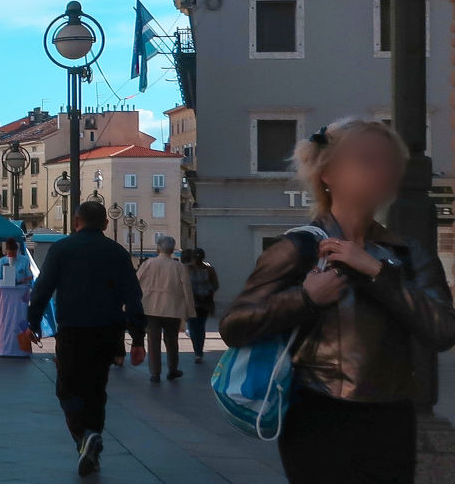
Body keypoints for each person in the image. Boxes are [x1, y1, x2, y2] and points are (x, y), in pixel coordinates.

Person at [221, 117, 455, 484]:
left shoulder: (409, 253)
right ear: (327, 174)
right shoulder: (299, 248)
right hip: (319, 415)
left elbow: (443, 331)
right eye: (367, 160)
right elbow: (234, 326)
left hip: (393, 417)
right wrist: (305, 299)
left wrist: (376, 271)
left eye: (390, 161)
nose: (383, 171)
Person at [24, 200, 146, 478]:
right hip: (108, 331)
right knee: (96, 389)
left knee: (67, 388)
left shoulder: (62, 249)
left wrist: (33, 323)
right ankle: (92, 443)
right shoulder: (117, 252)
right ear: (106, 223)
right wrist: (138, 338)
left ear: (75, 221)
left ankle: (84, 436)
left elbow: (42, 289)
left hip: (73, 330)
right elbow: (133, 296)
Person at [137, 234, 194, 382]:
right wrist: (190, 310)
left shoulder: (148, 264)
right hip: (173, 308)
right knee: (172, 340)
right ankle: (172, 369)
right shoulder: (179, 267)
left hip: (151, 308)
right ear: (173, 249)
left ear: (157, 248)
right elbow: (187, 289)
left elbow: (136, 283)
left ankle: (155, 372)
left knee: (153, 341)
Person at [0, 238, 35, 357]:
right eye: (9, 253)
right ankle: (1, 345)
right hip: (6, 294)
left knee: (20, 318)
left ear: (16, 251)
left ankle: (21, 346)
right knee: (4, 319)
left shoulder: (24, 260)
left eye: (13, 253)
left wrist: (20, 280)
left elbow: (30, 276)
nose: (11, 255)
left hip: (20, 294)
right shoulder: (2, 261)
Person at [182, 246, 219, 366]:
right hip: (198, 302)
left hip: (199, 302)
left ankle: (198, 351)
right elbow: (215, 285)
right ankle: (198, 351)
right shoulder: (190, 269)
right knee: (197, 327)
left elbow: (215, 285)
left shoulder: (190, 269)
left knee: (197, 327)